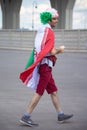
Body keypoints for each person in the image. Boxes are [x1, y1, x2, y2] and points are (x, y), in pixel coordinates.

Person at [19, 8, 73, 127]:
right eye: (54, 19)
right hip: (45, 67)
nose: (56, 21)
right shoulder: (48, 32)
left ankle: (60, 114)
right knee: (39, 92)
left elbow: (42, 50)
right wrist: (60, 50)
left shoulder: (42, 30)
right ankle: (26, 116)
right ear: (48, 19)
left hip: (45, 66)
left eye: (57, 18)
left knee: (53, 91)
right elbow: (50, 51)